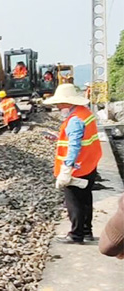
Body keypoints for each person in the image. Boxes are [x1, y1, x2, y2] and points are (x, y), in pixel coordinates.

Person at [44, 84, 102, 244]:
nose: (57, 106)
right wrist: (58, 138)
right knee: (86, 199)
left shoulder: (74, 119)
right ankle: (86, 231)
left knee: (74, 201)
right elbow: (83, 138)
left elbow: (75, 144)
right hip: (89, 163)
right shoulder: (85, 113)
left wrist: (67, 168)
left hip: (77, 167)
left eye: (59, 103)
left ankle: (76, 235)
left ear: (67, 103)